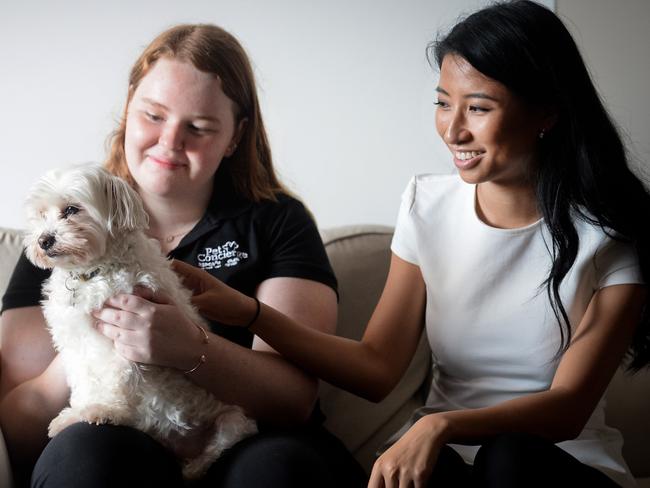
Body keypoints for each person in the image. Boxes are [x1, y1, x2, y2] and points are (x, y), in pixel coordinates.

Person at [169, 2, 650, 488]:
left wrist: (439, 423)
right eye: (443, 102)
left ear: (546, 112)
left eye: (479, 107)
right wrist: (249, 312)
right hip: (445, 460)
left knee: (509, 459)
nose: (453, 129)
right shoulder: (429, 205)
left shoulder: (609, 233)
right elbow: (377, 367)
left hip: (559, 463)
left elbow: (569, 409)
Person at [0, 24, 366, 488]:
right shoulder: (64, 232)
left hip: (248, 442)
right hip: (117, 439)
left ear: (235, 137)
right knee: (84, 454)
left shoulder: (276, 222)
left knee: (274, 469)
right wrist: (88, 341)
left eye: (198, 127)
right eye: (153, 115)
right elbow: (21, 415)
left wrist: (190, 348)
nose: (170, 142)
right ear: (128, 109)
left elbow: (292, 402)